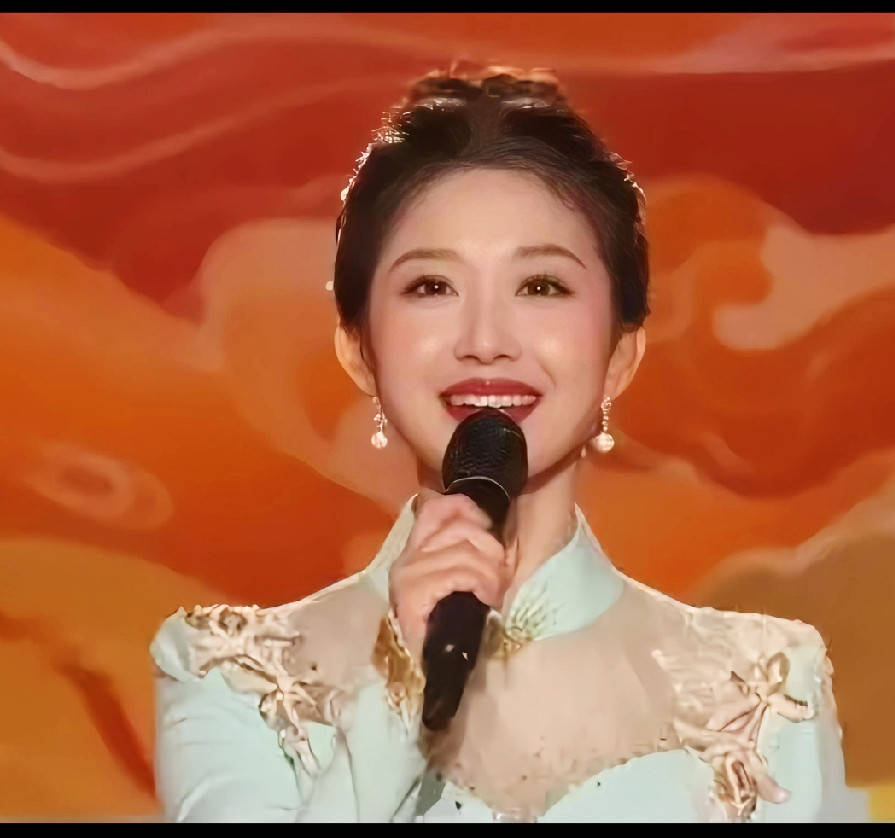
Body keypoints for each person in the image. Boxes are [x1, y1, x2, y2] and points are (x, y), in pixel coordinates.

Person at [150, 65, 865, 823]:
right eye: (432, 287)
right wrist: (399, 686)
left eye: (541, 286)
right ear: (359, 350)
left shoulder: (763, 692)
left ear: (620, 354)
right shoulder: (235, 678)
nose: (486, 340)